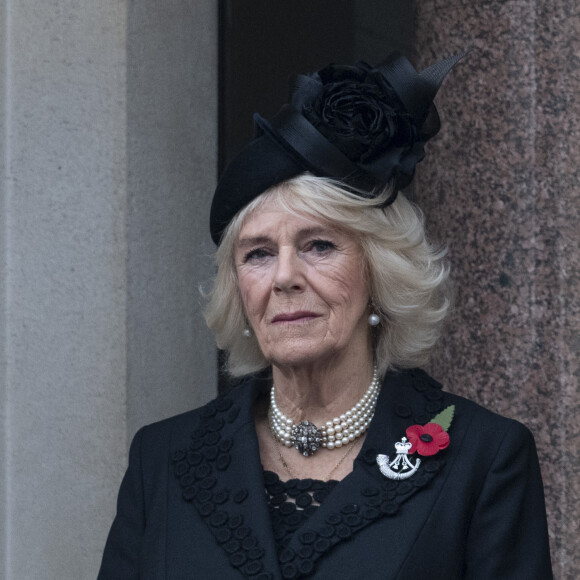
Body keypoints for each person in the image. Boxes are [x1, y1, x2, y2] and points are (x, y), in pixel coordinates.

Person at [98, 52, 553, 579]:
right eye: (258, 254)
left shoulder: (484, 457)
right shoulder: (164, 459)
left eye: (318, 245)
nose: (285, 276)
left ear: (379, 273)